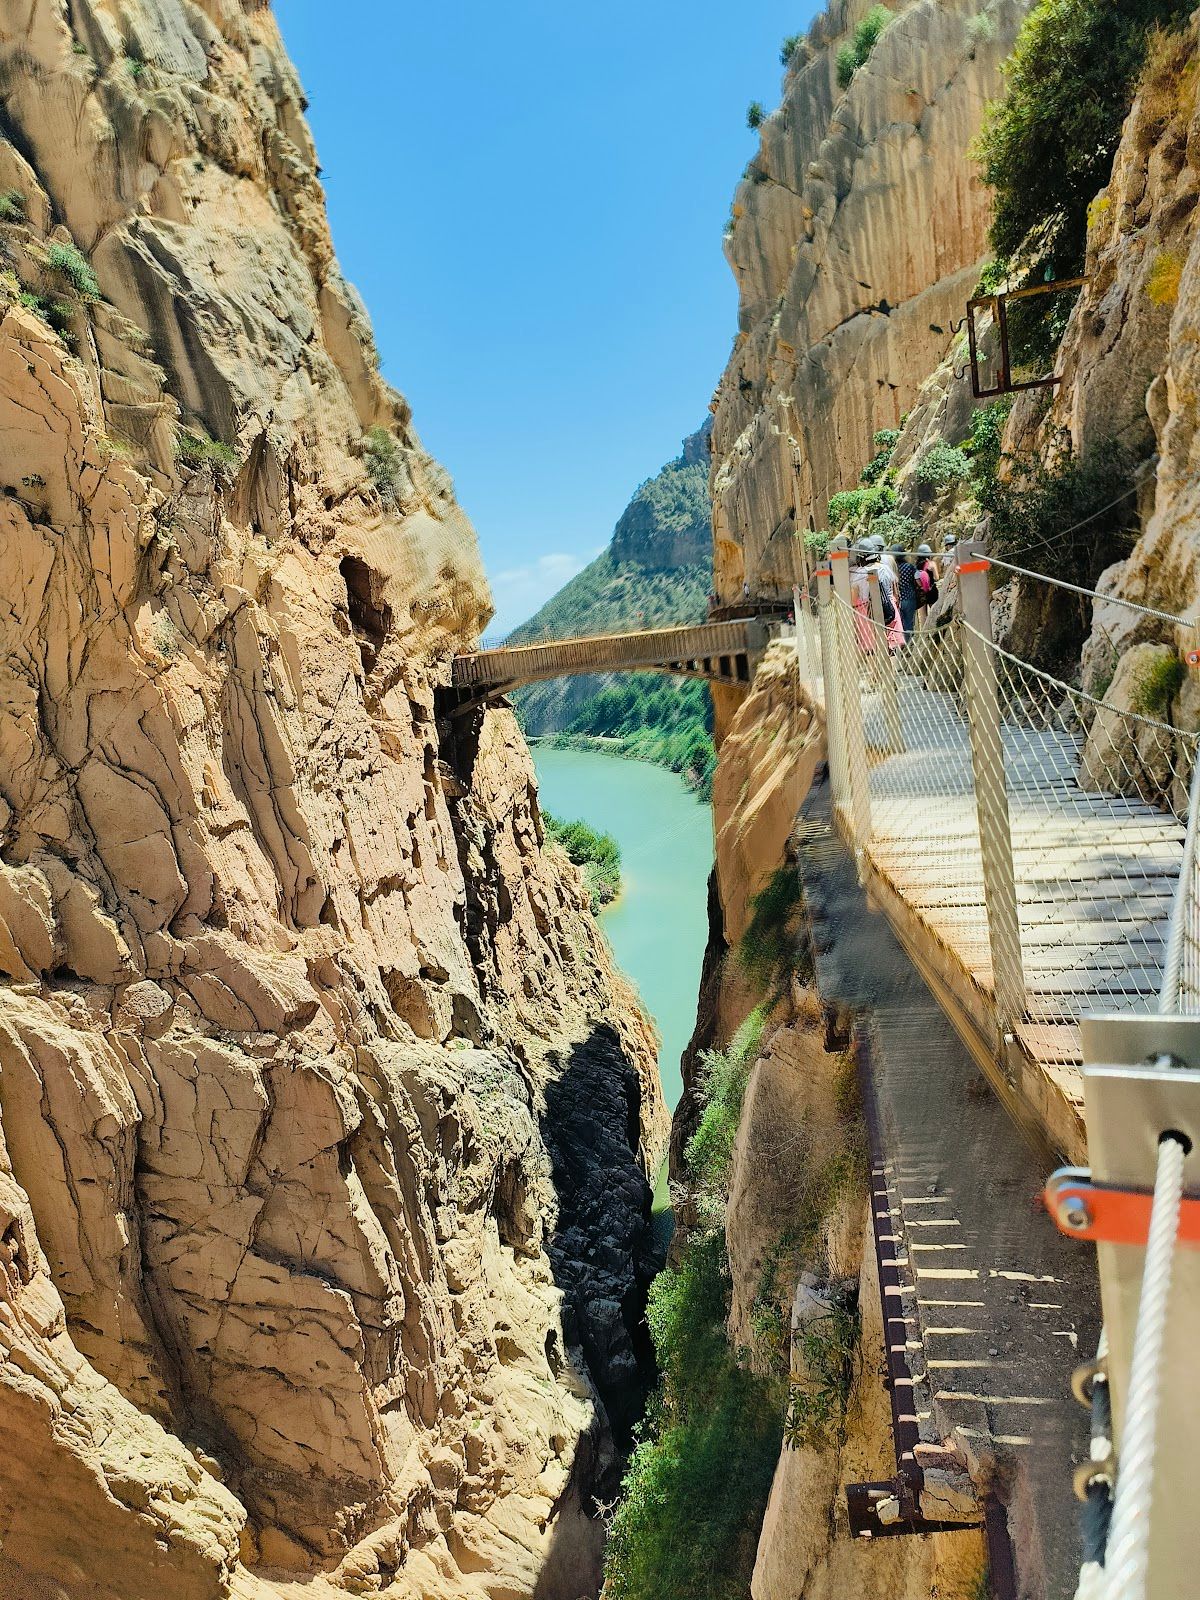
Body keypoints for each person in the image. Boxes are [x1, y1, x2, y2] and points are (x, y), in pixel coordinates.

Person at [893, 544, 919, 642]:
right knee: (909, 622)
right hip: (910, 598)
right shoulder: (910, 567)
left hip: (898, 600)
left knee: (902, 623)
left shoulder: (893, 569)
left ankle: (903, 642)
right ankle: (909, 644)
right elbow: (918, 579)